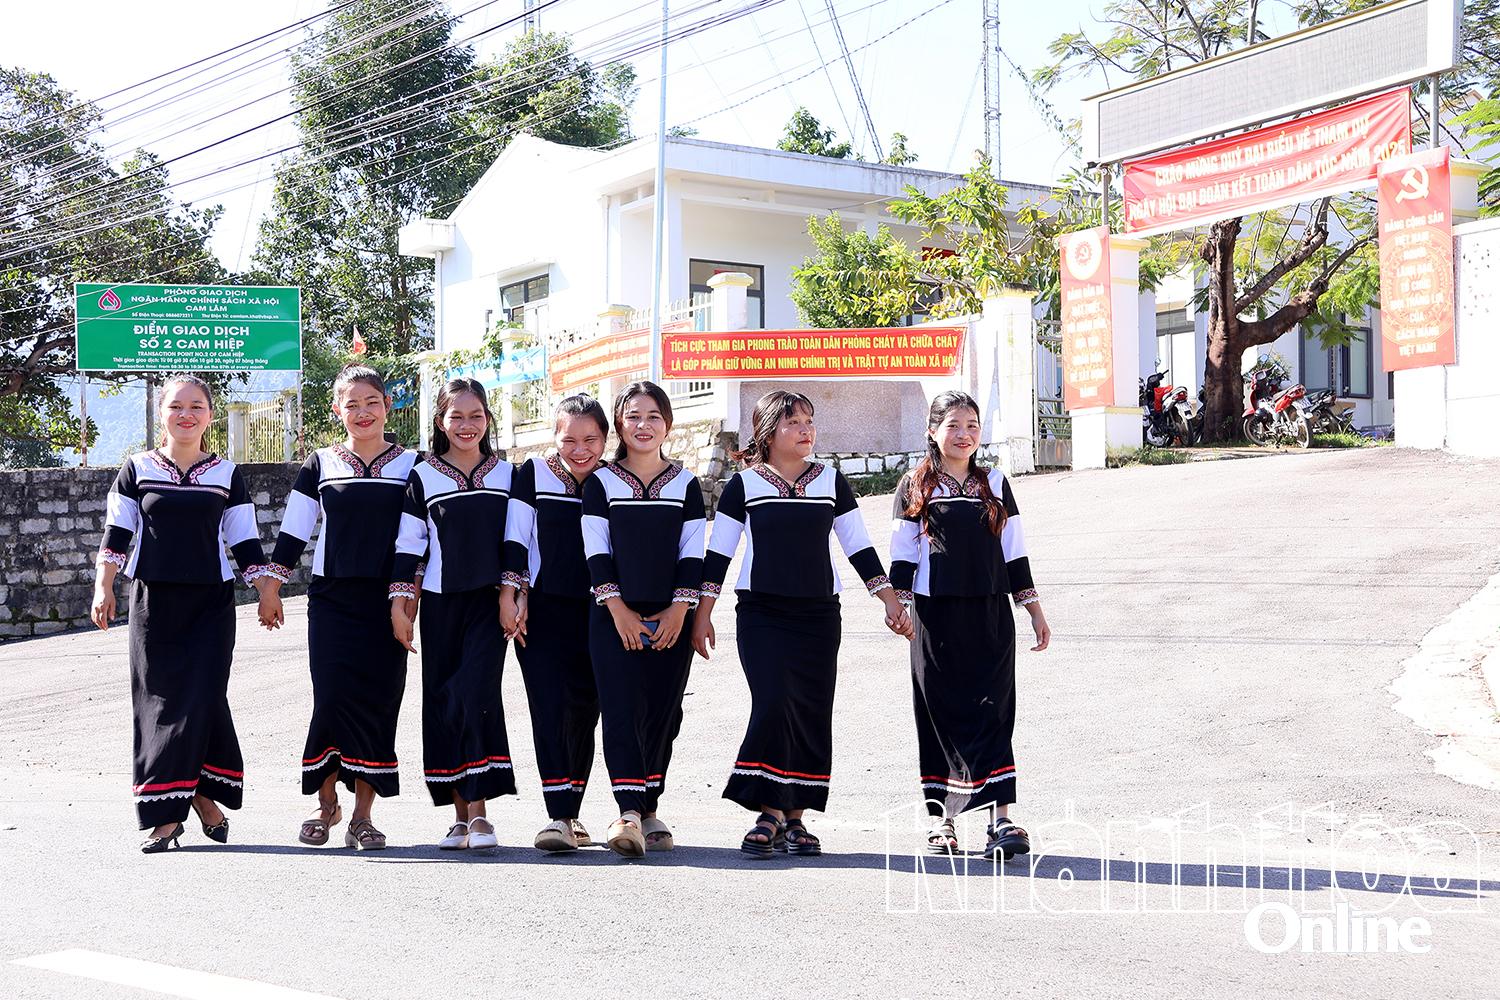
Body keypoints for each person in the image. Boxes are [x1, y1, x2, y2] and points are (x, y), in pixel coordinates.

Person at [693, 390, 912, 858]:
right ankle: (770, 809)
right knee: (774, 702)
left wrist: (889, 600)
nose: (807, 430)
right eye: (794, 422)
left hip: (818, 616)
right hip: (761, 614)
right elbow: (719, 554)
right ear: (769, 431)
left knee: (810, 711)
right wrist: (702, 614)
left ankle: (794, 818)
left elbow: (859, 547)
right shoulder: (743, 485)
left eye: (810, 421)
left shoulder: (831, 482)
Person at [90, 374, 279, 853]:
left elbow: (244, 540)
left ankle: (193, 796)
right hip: (153, 604)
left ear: (210, 415)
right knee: (157, 705)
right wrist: (103, 586)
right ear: (162, 413)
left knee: (204, 700)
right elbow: (117, 534)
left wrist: (267, 590)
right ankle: (177, 812)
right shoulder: (136, 469)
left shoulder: (225, 474)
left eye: (197, 406)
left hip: (211, 606)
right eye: (177, 406)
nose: (186, 415)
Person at [261, 364, 419, 851]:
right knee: (329, 700)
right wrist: (271, 585)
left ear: (387, 406)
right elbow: (295, 528)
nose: (363, 411)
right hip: (331, 599)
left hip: (389, 599)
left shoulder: (412, 464)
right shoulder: (321, 462)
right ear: (337, 410)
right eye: (352, 403)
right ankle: (326, 803)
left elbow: (416, 537)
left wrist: (405, 598)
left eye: (372, 402)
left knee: (378, 703)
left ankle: (363, 817)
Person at [888, 390, 1051, 861]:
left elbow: (1014, 552)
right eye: (954, 425)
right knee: (940, 715)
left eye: (972, 425)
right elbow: (903, 554)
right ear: (933, 430)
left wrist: (1033, 609)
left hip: (990, 616)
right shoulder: (914, 485)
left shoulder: (995, 483)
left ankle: (1002, 821)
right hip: (933, 618)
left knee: (994, 711)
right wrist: (897, 606)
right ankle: (943, 822)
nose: (964, 435)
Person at [389, 377, 514, 851]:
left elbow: (517, 542)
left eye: (476, 415)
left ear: (487, 419)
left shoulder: (508, 475)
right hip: (441, 604)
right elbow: (409, 545)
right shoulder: (424, 476)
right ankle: (459, 817)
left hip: (489, 603)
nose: (467, 425)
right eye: (456, 416)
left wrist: (512, 594)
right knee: (443, 701)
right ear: (440, 421)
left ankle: (481, 813)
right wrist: (403, 606)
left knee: (474, 693)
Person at [581, 381, 704, 858]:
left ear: (668, 424)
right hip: (614, 618)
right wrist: (619, 611)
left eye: (653, 416)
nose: (643, 425)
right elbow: (597, 553)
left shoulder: (686, 484)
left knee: (664, 715)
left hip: (671, 615)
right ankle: (627, 811)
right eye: (633, 416)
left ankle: (650, 807)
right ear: (619, 425)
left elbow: (692, 553)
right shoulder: (602, 482)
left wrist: (680, 608)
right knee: (621, 709)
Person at [500, 394, 608, 853]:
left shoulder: (614, 479)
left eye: (591, 439)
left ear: (607, 437)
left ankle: (574, 811)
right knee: (550, 707)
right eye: (569, 439)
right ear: (554, 437)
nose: (580, 449)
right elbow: (515, 537)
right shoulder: (532, 474)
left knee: (587, 710)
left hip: (604, 611)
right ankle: (558, 813)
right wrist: (513, 593)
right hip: (543, 609)